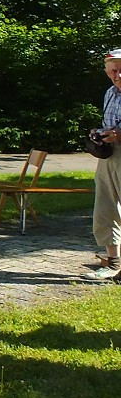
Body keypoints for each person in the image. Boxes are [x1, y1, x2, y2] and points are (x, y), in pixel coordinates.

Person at [83, 49, 121, 280]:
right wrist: (99, 133)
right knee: (105, 209)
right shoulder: (109, 93)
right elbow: (109, 123)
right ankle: (113, 262)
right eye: (113, 71)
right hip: (109, 157)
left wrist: (119, 134)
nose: (118, 75)